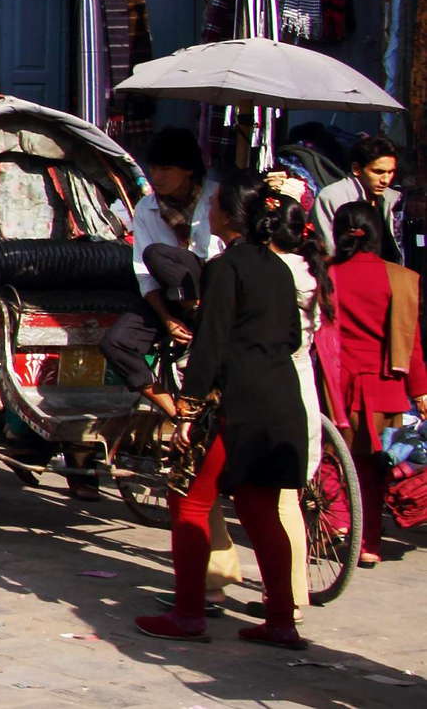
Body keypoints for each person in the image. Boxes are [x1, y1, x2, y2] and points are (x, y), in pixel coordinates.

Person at [135, 180, 322, 650]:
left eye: (214, 205)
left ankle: (189, 613)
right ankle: (282, 620)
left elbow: (210, 345)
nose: (208, 211)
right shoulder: (280, 269)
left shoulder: (224, 268)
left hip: (235, 400)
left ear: (228, 216)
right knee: (262, 511)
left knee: (191, 501)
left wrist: (186, 411)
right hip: (280, 397)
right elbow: (292, 340)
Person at [318, 202, 427, 566]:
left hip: (332, 383)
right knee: (373, 465)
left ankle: (333, 527)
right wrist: (420, 390)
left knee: (330, 457)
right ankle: (368, 544)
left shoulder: (322, 274)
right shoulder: (401, 278)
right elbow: (410, 343)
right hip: (384, 385)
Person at [109, 128, 219, 419]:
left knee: (161, 254)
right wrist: (167, 319)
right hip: (167, 297)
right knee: (116, 342)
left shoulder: (216, 199)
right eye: (154, 168)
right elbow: (144, 273)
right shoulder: (147, 207)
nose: (156, 177)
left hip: (212, 294)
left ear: (188, 171)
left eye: (166, 169)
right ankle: (175, 410)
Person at [316, 135, 401, 254]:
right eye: (378, 172)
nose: (386, 180)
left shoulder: (393, 199)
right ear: (356, 169)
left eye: (390, 172)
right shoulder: (332, 197)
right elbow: (328, 248)